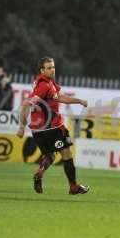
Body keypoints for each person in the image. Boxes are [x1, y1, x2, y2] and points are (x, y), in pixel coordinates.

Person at [16, 56, 90, 195]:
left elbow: (61, 97)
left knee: (50, 156)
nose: (52, 70)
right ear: (42, 70)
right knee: (67, 154)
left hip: (38, 131)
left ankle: (39, 173)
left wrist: (78, 101)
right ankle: (73, 186)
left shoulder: (48, 83)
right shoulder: (43, 85)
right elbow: (27, 104)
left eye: (53, 67)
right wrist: (21, 126)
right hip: (52, 128)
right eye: (49, 68)